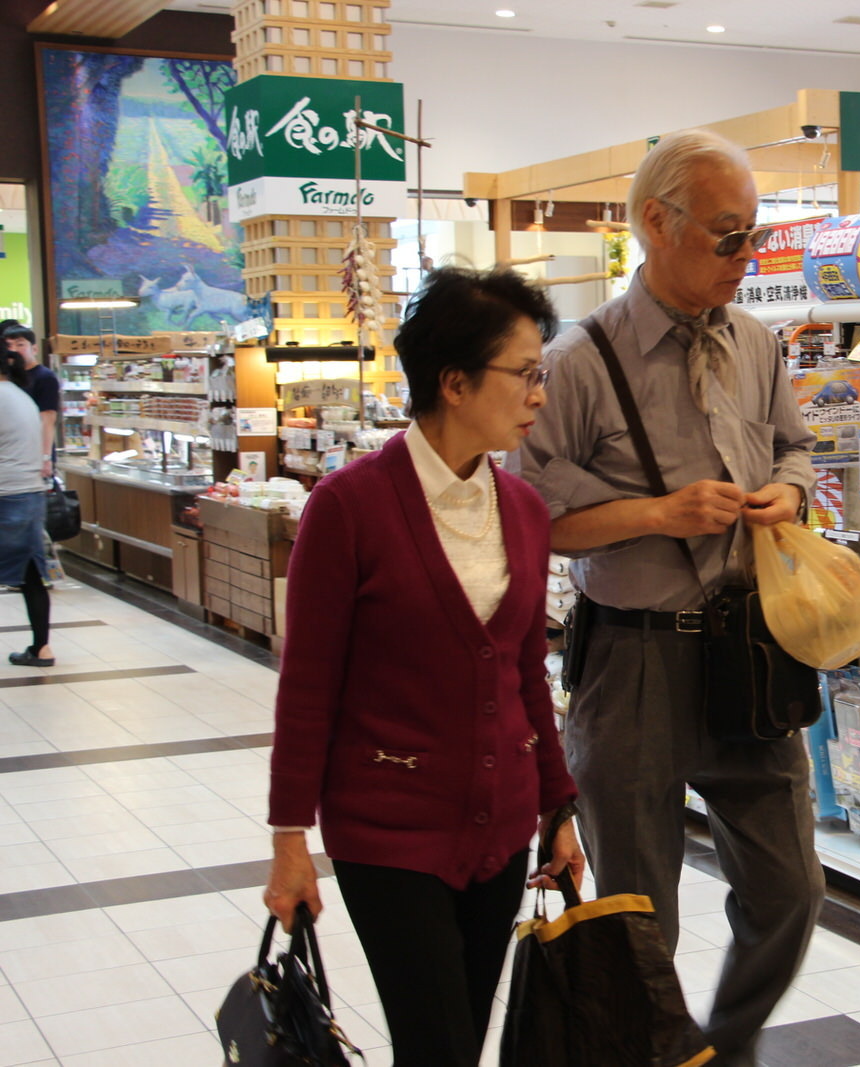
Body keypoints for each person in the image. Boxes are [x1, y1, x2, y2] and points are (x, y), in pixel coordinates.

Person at [513, 128, 824, 1067]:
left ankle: (719, 1048)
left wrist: (792, 493)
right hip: (632, 656)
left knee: (791, 891)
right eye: (728, 236)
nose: (747, 256)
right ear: (658, 222)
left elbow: (796, 446)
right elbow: (534, 517)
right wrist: (659, 511)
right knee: (640, 912)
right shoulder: (575, 361)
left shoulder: (756, 343)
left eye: (754, 234)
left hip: (748, 648)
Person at [264, 267, 583, 1067]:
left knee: (460, 1040)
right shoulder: (348, 507)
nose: (539, 392)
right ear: (455, 381)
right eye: (526, 372)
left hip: (504, 826)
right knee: (436, 1043)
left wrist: (557, 806)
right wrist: (289, 839)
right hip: (388, 826)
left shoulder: (525, 510)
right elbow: (308, 686)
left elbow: (524, 674)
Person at [0, 345, 53, 667]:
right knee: (30, 573)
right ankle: (42, 648)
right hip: (30, 494)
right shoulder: (19, 395)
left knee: (25, 572)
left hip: (7, 495)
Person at [3, 326, 58, 480]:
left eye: (20, 345)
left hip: (35, 457)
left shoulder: (45, 377)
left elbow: (47, 419)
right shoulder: (8, 378)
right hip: (13, 456)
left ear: (34, 349)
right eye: (9, 346)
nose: (13, 350)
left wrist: (46, 458)